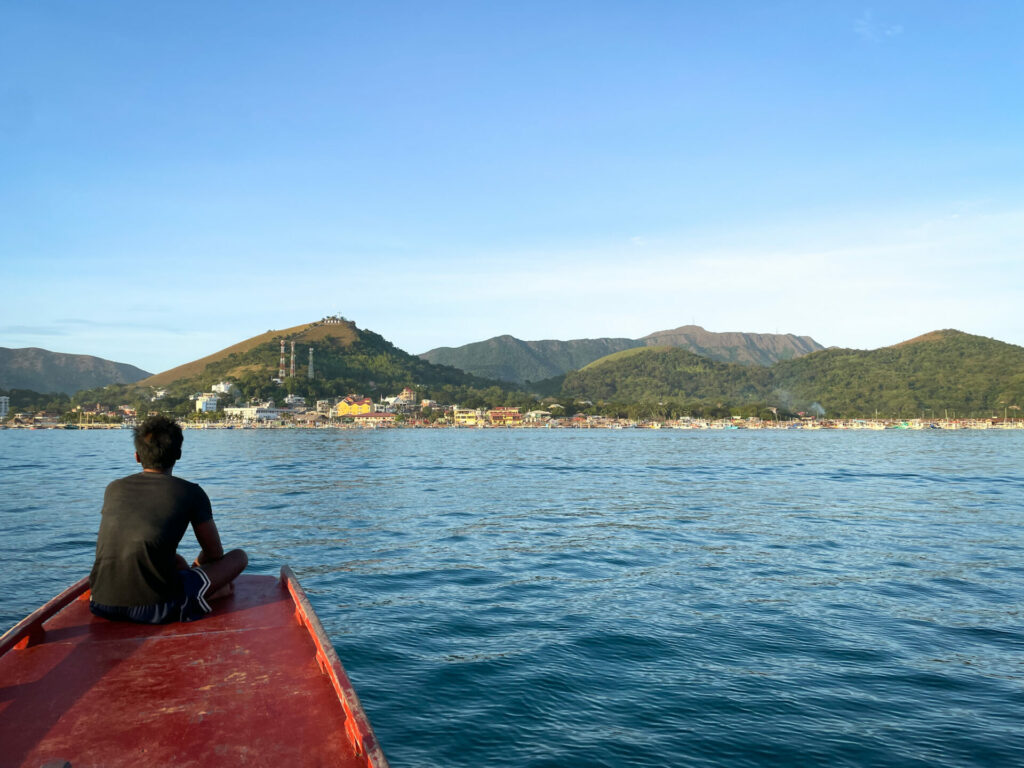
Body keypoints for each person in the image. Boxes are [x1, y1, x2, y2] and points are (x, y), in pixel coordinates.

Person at [89, 414, 247, 623]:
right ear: (178, 454)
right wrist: (200, 569)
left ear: (137, 456)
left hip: (100, 602)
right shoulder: (191, 492)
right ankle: (204, 592)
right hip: (156, 608)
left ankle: (201, 586)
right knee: (239, 557)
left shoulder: (114, 488)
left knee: (177, 561)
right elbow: (214, 553)